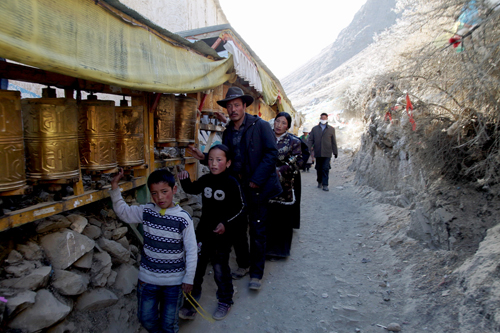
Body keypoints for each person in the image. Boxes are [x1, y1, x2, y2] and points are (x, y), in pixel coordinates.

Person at [187, 86, 281, 291]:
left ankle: (256, 273)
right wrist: (204, 158)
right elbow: (224, 159)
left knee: (257, 229)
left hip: (259, 186)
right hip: (238, 187)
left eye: (236, 105)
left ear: (244, 106)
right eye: (229, 106)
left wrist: (256, 179)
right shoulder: (228, 131)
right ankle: (244, 263)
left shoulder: (261, 126)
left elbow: (271, 154)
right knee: (237, 227)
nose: (233, 109)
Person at [109, 169, 197, 333]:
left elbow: (192, 250)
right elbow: (124, 212)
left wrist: (189, 278)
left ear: (174, 190)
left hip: (174, 283)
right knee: (146, 319)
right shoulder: (146, 211)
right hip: (148, 280)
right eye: (154, 193)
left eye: (164, 192)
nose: (160, 197)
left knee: (169, 324)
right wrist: (115, 187)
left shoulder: (183, 219)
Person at [177, 144, 245, 321]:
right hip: (204, 231)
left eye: (219, 160)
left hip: (223, 234)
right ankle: (191, 304)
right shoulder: (206, 179)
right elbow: (193, 189)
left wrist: (225, 223)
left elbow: (239, 209)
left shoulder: (232, 183)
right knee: (197, 266)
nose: (214, 163)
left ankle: (225, 300)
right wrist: (184, 181)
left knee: (220, 267)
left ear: (228, 163)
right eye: (211, 159)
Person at [266, 112, 303, 258]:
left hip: (285, 185)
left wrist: (281, 170)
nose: (279, 125)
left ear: (288, 126)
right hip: (267, 183)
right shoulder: (266, 137)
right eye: (277, 121)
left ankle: (281, 251)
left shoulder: (294, 142)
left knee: (283, 218)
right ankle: (267, 249)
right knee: (268, 217)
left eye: (283, 123)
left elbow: (298, 162)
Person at [308, 113, 338, 191]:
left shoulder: (331, 129)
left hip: (327, 152)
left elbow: (333, 141)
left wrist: (335, 152)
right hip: (318, 152)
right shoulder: (315, 129)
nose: (323, 119)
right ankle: (319, 181)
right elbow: (310, 139)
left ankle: (325, 184)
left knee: (325, 168)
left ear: (327, 119)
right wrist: (308, 149)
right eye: (322, 118)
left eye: (324, 118)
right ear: (320, 118)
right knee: (319, 168)